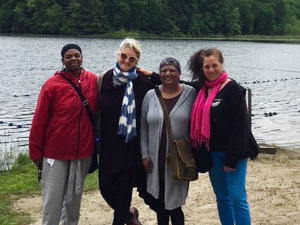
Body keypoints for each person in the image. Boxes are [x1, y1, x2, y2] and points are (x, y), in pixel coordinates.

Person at [188, 48, 259, 225]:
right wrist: (151, 75)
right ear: (202, 68)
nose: (211, 70)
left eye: (214, 65)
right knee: (222, 197)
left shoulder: (233, 89)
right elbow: (175, 82)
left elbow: (241, 127)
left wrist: (232, 158)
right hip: (212, 152)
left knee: (237, 197)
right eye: (206, 67)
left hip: (234, 154)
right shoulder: (200, 88)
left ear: (222, 64)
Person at [29, 44, 98, 225]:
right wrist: (36, 153)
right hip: (55, 153)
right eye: (69, 56)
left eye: (77, 55)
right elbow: (39, 120)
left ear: (82, 57)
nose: (73, 59)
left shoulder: (92, 80)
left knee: (73, 200)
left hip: (82, 152)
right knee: (52, 200)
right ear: (63, 61)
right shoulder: (52, 84)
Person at [98, 38, 160, 225]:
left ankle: (124, 219)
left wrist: (154, 75)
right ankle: (130, 216)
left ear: (137, 61)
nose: (126, 61)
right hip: (108, 147)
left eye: (131, 59)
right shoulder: (104, 78)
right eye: (123, 56)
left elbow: (170, 85)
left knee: (123, 193)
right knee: (106, 190)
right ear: (118, 55)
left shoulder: (142, 82)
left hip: (130, 148)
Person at [140, 58, 197, 225]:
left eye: (172, 70)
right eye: (164, 70)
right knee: (160, 204)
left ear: (179, 73)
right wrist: (144, 154)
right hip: (154, 159)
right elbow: (143, 126)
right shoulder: (151, 95)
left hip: (179, 159)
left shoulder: (190, 94)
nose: (168, 74)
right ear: (160, 73)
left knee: (175, 205)